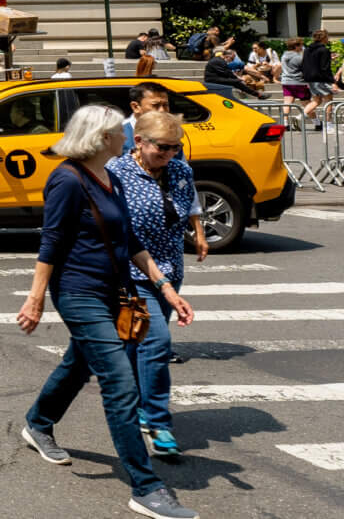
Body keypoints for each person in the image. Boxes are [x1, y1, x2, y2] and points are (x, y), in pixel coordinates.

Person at [15, 103, 200, 519]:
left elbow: (132, 241)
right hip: (79, 292)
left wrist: (166, 290)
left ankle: (38, 422)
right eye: (121, 132)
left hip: (112, 290)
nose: (127, 137)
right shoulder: (66, 180)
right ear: (102, 139)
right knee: (120, 383)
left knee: (79, 363)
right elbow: (51, 243)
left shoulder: (109, 177)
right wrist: (35, 297)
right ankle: (146, 487)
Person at [112, 110, 208, 460]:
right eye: (163, 148)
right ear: (139, 141)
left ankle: (134, 404)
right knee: (157, 341)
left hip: (171, 266)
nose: (170, 154)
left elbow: (190, 204)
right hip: (133, 271)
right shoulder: (117, 173)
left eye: (175, 147)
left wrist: (198, 233)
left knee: (137, 342)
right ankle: (156, 420)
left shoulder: (180, 170)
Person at [120, 81, 171, 152]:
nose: (162, 110)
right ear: (135, 107)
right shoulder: (119, 134)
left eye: (165, 105)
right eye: (155, 105)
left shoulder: (171, 132)